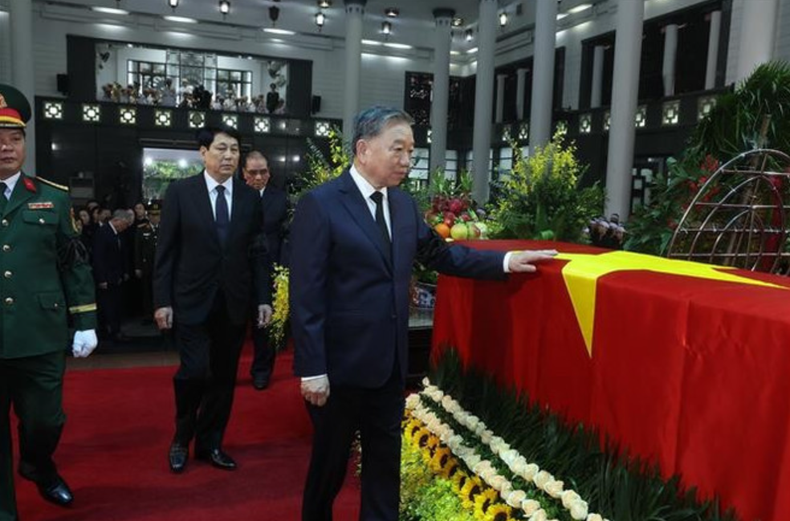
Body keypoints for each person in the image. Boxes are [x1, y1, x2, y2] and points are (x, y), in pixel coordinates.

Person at [289, 106, 557, 521]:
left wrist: (505, 261)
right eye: (398, 149)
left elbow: (441, 254)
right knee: (329, 467)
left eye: (411, 150)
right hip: (338, 370)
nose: (407, 159)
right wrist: (311, 368)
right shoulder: (321, 205)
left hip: (389, 365)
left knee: (383, 470)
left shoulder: (403, 205)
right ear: (363, 149)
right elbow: (307, 293)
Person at [0, 84, 99, 520]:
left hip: (40, 333)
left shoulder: (53, 197)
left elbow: (74, 263)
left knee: (47, 421)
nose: (6, 147)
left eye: (15, 138)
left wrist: (86, 320)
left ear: (25, 142)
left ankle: (38, 463)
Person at [153, 125, 273, 474]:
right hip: (190, 300)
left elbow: (258, 253)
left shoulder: (251, 198)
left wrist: (263, 298)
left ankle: (210, 444)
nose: (228, 156)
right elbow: (166, 251)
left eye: (234, 150)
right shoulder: (180, 192)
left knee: (223, 378)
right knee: (193, 372)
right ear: (203, 153)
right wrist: (162, 300)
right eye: (221, 149)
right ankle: (181, 436)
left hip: (233, 303)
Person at [241, 151, 289, 390]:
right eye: (253, 172)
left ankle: (262, 371)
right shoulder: (234, 196)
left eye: (263, 172)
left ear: (269, 173)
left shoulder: (280, 199)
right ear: (244, 174)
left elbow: (285, 236)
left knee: (265, 327)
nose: (259, 177)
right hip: (238, 271)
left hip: (270, 271)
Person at [92, 209, 134, 343]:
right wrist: (101, 278)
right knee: (107, 306)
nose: (125, 227)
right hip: (106, 277)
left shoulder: (118, 234)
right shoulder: (103, 232)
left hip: (116, 276)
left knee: (116, 305)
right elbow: (98, 257)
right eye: (125, 224)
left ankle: (116, 330)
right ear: (117, 220)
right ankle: (107, 332)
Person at [135, 200, 161, 322]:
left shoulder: (165, 228)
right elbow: (137, 249)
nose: (155, 218)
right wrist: (138, 267)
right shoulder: (142, 229)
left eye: (157, 215)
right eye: (152, 215)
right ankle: (148, 315)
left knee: (160, 291)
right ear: (148, 216)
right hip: (147, 265)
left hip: (161, 266)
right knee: (147, 291)